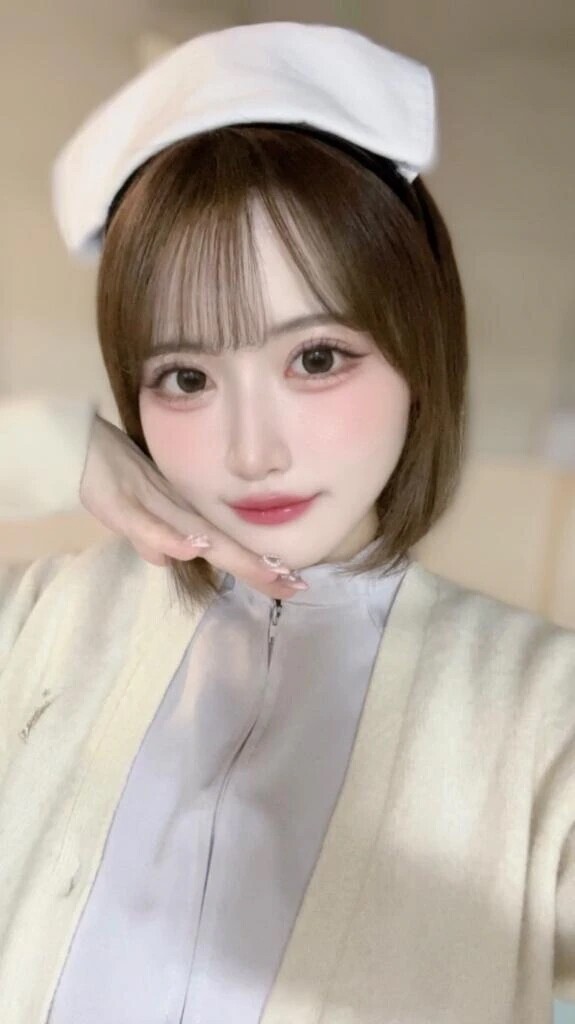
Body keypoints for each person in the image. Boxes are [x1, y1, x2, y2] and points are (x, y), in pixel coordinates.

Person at [0, 21, 574, 1024]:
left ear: (417, 350)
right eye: (185, 377)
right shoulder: (41, 625)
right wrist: (49, 446)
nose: (251, 451)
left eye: (315, 358)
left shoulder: (541, 712)